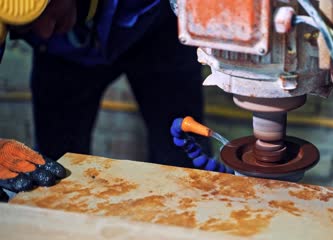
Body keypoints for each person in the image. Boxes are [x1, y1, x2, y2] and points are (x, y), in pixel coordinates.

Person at [0, 0, 209, 198]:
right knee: (54, 169)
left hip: (156, 31)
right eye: (23, 28)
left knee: (185, 167)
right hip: (61, 53)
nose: (43, 30)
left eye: (45, 11)